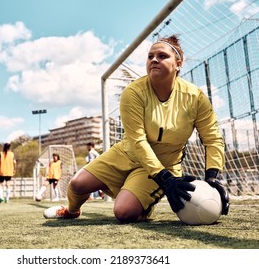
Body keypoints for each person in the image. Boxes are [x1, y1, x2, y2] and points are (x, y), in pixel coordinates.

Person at [43, 34, 230, 222]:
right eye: (150, 56)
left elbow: (212, 139)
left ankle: (141, 204)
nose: (154, 59)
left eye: (162, 56)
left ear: (178, 64)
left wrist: (212, 178)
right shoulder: (133, 92)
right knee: (77, 184)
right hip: (127, 153)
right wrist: (167, 181)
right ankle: (71, 211)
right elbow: (138, 140)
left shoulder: (195, 97)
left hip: (163, 164)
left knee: (124, 213)